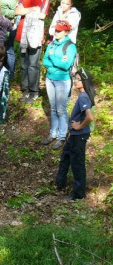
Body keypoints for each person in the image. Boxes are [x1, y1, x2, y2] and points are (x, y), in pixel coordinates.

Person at [55, 68, 95, 200]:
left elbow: (89, 117)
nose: (76, 81)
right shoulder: (82, 95)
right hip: (74, 135)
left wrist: (78, 126)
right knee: (66, 156)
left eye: (79, 79)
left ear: (85, 81)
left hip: (80, 135)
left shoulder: (83, 97)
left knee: (77, 163)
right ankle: (59, 183)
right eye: (75, 79)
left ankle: (78, 194)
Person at [15, 0, 50, 103]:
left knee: (33, 65)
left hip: (35, 35)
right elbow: (17, 11)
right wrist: (32, 9)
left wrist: (25, 11)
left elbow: (42, 14)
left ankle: (34, 91)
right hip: (22, 34)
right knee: (23, 64)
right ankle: (25, 90)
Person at [42, 20, 77, 150]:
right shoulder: (51, 44)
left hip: (62, 81)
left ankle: (61, 136)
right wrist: (55, 61)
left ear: (66, 32)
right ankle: (53, 133)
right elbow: (45, 61)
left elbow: (66, 65)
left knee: (61, 109)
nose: (56, 32)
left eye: (59, 30)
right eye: (55, 30)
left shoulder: (70, 46)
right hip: (50, 79)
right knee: (53, 108)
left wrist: (53, 59)